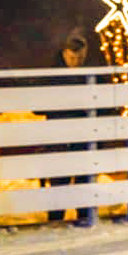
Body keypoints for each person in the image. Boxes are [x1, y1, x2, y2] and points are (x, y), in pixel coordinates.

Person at [44, 28, 91, 222]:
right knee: (60, 179)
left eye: (79, 58)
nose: (76, 62)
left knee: (81, 178)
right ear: (64, 53)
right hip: (61, 134)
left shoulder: (87, 74)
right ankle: (57, 218)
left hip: (78, 133)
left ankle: (82, 216)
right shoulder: (55, 75)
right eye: (72, 58)